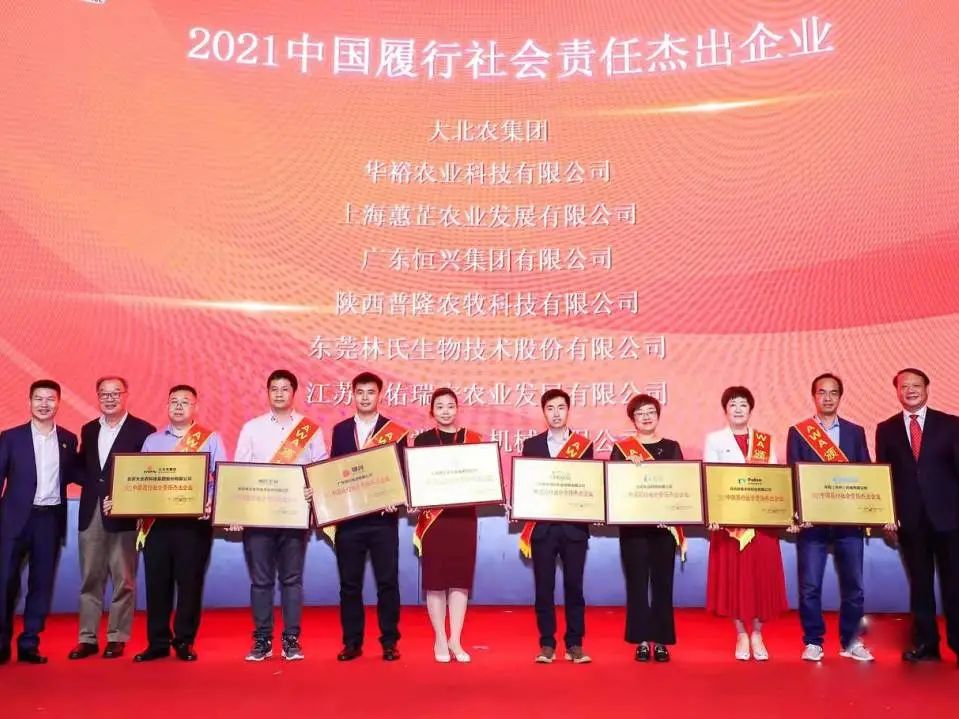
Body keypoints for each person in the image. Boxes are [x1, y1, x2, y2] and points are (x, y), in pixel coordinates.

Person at [127, 385, 227, 663]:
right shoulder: (152, 441)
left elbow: (222, 477)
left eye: (185, 402)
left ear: (196, 407)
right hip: (158, 523)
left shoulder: (211, 439)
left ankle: (184, 641)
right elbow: (140, 480)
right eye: (174, 401)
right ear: (167, 406)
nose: (179, 406)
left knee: (189, 583)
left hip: (193, 524)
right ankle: (157, 642)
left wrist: (211, 503)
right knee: (157, 583)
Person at [234, 369, 327, 662]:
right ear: (267, 392)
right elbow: (240, 471)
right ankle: (262, 640)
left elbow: (320, 469)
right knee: (261, 581)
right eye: (274, 388)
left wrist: (314, 490)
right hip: (258, 517)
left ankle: (291, 639)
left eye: (285, 388)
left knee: (292, 580)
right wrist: (236, 510)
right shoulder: (252, 428)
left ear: (293, 393)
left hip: (294, 517)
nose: (279, 393)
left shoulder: (309, 429)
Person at [786, 373, 873, 662]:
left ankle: (851, 642)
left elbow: (866, 473)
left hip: (848, 520)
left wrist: (876, 510)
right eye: (822, 392)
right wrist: (798, 513)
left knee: (854, 587)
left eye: (833, 392)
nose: (827, 397)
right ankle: (813, 641)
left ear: (840, 397)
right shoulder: (799, 432)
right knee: (810, 586)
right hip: (813, 522)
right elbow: (793, 474)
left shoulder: (855, 432)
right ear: (814, 396)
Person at [876, 368, 959, 664]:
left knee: (955, 585)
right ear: (897, 391)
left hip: (950, 519)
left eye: (915, 385)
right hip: (910, 521)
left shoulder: (951, 424)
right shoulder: (886, 429)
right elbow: (884, 477)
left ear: (926, 388)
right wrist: (887, 516)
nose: (910, 390)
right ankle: (927, 645)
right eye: (904, 386)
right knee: (920, 586)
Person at [71, 376, 155, 660]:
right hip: (91, 512)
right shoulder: (89, 429)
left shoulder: (143, 431)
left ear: (126, 395)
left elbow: (147, 474)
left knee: (124, 580)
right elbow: (83, 467)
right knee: (89, 578)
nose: (109, 398)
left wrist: (126, 499)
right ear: (98, 397)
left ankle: (117, 637)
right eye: (104, 394)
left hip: (124, 516)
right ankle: (87, 638)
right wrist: (93, 484)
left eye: (115, 393)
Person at [704, 386, 787, 661]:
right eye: (733, 405)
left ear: (750, 409)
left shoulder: (764, 440)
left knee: (761, 578)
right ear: (725, 410)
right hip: (730, 525)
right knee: (734, 581)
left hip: (761, 522)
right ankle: (740, 633)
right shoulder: (714, 439)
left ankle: (758, 634)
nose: (738, 409)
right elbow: (711, 479)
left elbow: (774, 478)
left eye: (743, 404)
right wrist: (713, 515)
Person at [329, 371, 407, 662]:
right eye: (360, 392)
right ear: (353, 395)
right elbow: (333, 472)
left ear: (379, 395)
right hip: (349, 521)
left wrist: (396, 497)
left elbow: (403, 473)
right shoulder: (340, 430)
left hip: (382, 521)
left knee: (387, 583)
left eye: (370, 392)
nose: (365, 397)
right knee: (350, 585)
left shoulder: (394, 431)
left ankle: (389, 641)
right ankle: (352, 642)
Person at [0, 380, 79, 664]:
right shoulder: (10, 437)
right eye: (38, 398)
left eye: (50, 399)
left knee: (41, 584)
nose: (44, 404)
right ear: (29, 401)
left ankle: (29, 643)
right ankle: (1, 644)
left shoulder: (68, 439)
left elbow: (77, 473)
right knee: (4, 584)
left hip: (49, 520)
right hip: (13, 522)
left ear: (58, 403)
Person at [520, 388, 594, 665]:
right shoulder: (532, 445)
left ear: (568, 410)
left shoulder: (583, 445)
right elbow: (528, 484)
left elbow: (588, 484)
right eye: (550, 408)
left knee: (575, 588)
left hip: (574, 529)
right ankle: (547, 644)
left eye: (561, 407)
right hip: (543, 528)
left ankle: (574, 644)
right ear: (544, 412)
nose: (556, 413)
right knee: (544, 588)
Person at [609, 393, 684, 663]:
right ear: (633, 419)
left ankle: (661, 641)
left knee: (663, 583)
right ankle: (641, 640)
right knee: (637, 584)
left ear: (658, 415)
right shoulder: (622, 449)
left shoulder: (672, 447)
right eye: (640, 413)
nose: (646, 417)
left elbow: (680, 484)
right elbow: (615, 487)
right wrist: (629, 470)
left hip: (664, 527)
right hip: (634, 527)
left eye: (650, 411)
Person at [411, 388, 483, 663]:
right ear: (431, 411)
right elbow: (417, 478)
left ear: (457, 409)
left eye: (450, 406)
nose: (445, 411)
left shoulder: (473, 440)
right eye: (439, 406)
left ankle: (456, 639)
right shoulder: (423, 440)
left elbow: (482, 476)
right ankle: (440, 638)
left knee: (460, 581)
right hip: (435, 521)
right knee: (436, 581)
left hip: (463, 518)